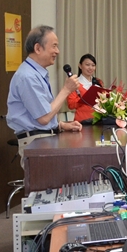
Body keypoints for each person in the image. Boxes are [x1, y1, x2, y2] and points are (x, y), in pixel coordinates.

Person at [7, 26, 82, 165]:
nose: (57, 51)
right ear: (38, 48)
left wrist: (61, 125)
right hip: (36, 142)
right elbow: (44, 118)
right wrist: (66, 89)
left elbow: (38, 114)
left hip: (42, 139)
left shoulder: (36, 73)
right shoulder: (27, 77)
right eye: (54, 46)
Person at [67, 53, 104, 123]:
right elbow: (71, 105)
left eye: (93, 65)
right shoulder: (74, 83)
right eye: (87, 65)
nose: (90, 68)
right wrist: (85, 98)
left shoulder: (99, 82)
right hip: (82, 121)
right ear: (80, 66)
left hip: (98, 120)